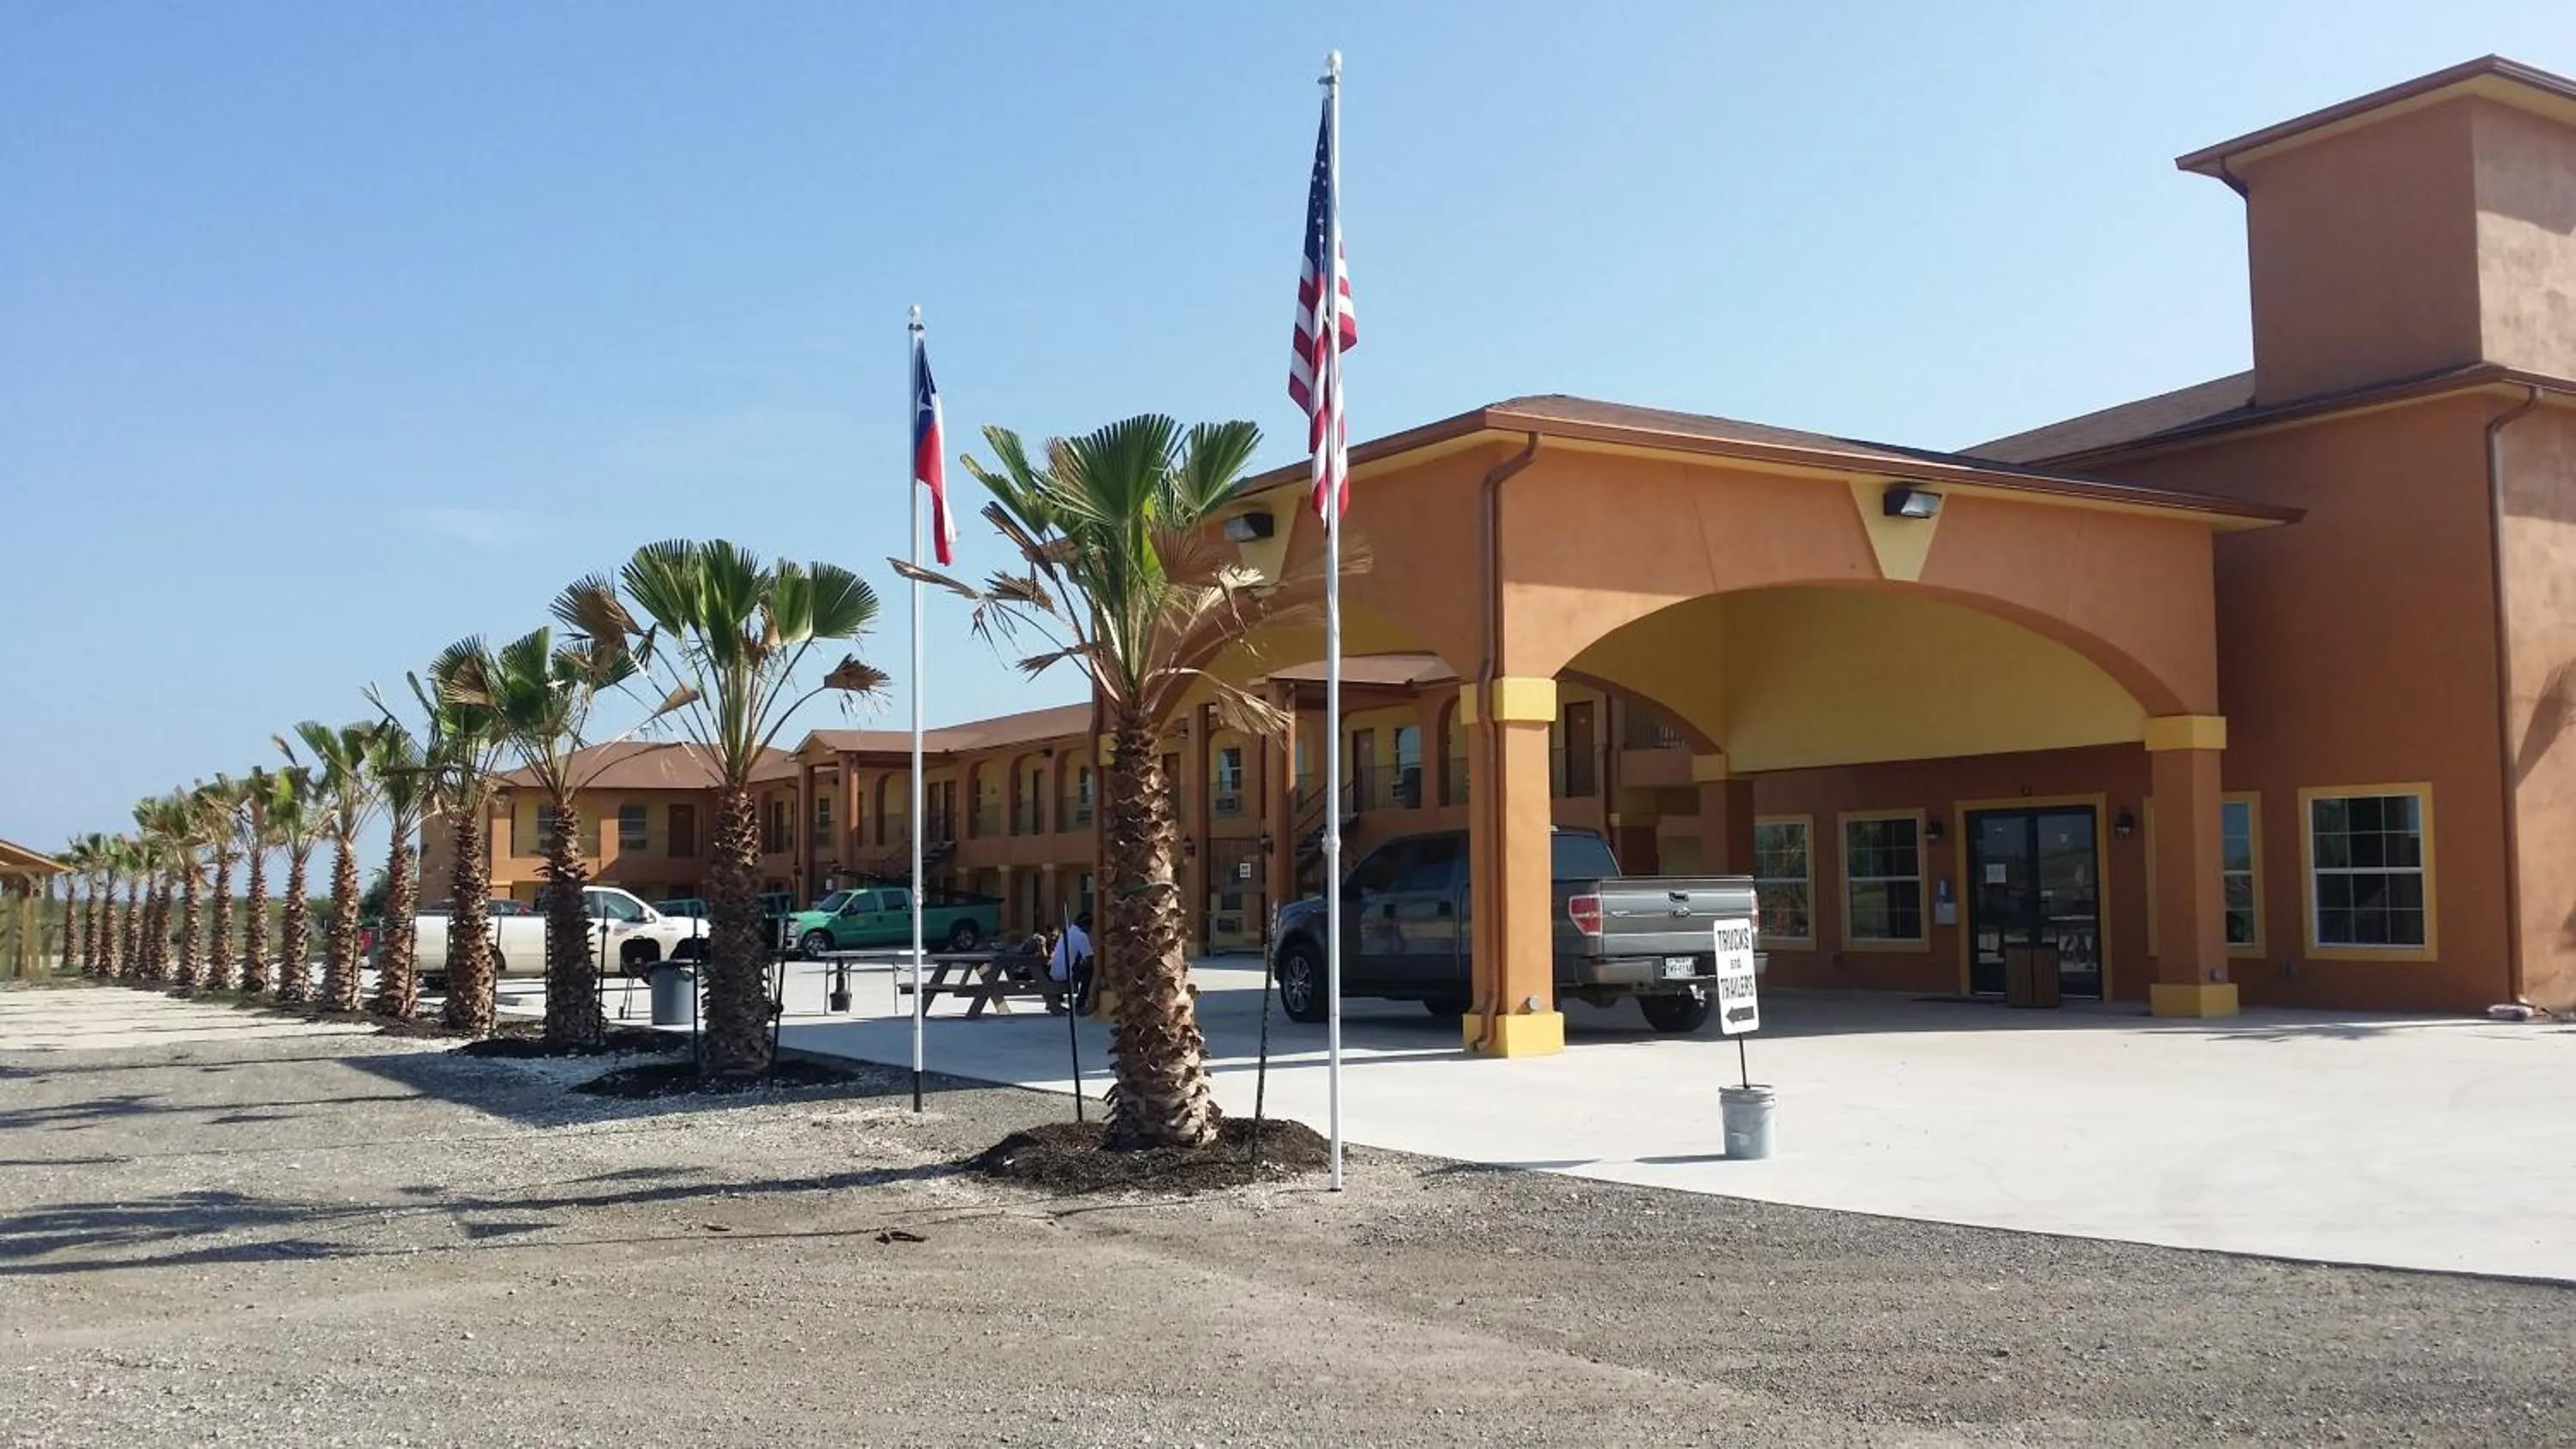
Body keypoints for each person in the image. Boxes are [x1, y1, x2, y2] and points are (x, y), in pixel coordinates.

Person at [1047, 913, 1093, 1016]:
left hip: (1054, 972)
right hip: (1065, 974)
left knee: (1079, 966)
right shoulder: (1081, 935)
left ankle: (1057, 999)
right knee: (1091, 971)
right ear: (1087, 926)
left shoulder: (1066, 932)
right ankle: (1080, 1004)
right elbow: (1089, 958)